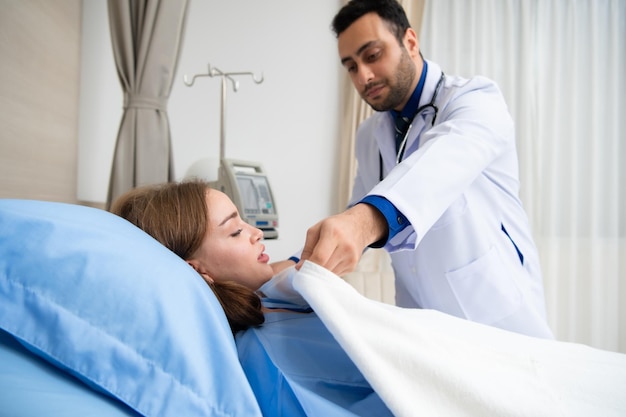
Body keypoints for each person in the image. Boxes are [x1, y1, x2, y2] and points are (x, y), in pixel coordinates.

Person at [297, 0, 553, 339]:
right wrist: (295, 266)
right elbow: (356, 211)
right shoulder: (369, 136)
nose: (364, 76)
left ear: (410, 42)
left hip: (497, 319)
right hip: (423, 326)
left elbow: (438, 167)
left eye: (372, 55)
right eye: (351, 66)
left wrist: (361, 226)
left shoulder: (474, 100)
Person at [110, 180, 393, 417]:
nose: (257, 233)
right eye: (235, 231)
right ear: (196, 269)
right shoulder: (270, 361)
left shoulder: (272, 298)